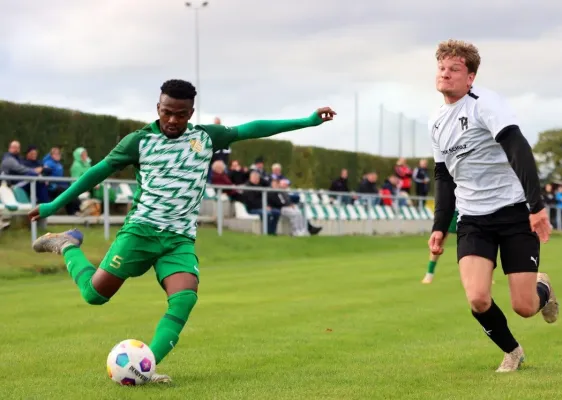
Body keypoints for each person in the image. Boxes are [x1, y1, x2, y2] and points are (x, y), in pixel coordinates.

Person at [28, 79, 336, 383]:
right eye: (167, 112)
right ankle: (66, 244)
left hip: (179, 239)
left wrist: (307, 121)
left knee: (185, 298)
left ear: (191, 112)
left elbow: (252, 128)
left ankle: (143, 367)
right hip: (141, 231)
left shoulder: (204, 138)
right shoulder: (138, 141)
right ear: (158, 108)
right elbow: (97, 172)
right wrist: (54, 204)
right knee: (94, 295)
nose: (173, 120)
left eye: (181, 114)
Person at [427, 40, 558, 373]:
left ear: (470, 77)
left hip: (514, 212)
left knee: (525, 307)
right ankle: (512, 351)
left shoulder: (485, 104)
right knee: (478, 298)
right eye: (442, 67)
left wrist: (536, 205)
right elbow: (444, 178)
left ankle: (543, 288)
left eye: (455, 69)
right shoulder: (437, 121)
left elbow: (517, 148)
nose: (446, 73)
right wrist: (439, 227)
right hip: (472, 219)